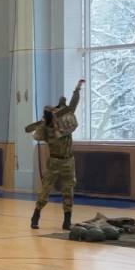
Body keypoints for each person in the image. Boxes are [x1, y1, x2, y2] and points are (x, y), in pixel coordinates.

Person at [29, 79, 85, 230]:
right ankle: (36, 215)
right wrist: (43, 124)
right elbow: (36, 135)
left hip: (68, 160)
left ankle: (67, 220)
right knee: (46, 188)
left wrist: (77, 89)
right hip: (55, 161)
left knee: (68, 190)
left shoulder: (63, 122)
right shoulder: (49, 128)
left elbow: (72, 106)